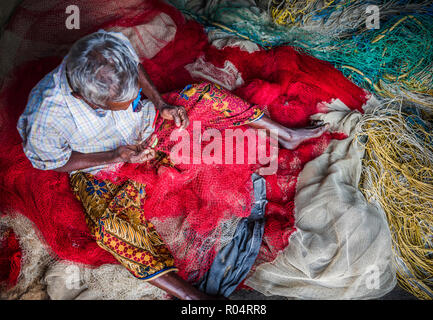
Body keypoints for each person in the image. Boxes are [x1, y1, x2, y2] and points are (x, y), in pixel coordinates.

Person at [17, 30, 327, 300]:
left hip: (149, 126)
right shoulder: (46, 116)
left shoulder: (105, 47)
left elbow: (135, 67)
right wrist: (115, 157)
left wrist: (161, 105)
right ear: (83, 97)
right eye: (117, 104)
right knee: (110, 229)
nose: (129, 103)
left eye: (130, 97)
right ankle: (193, 296)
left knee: (201, 95)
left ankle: (286, 135)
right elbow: (53, 162)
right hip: (103, 167)